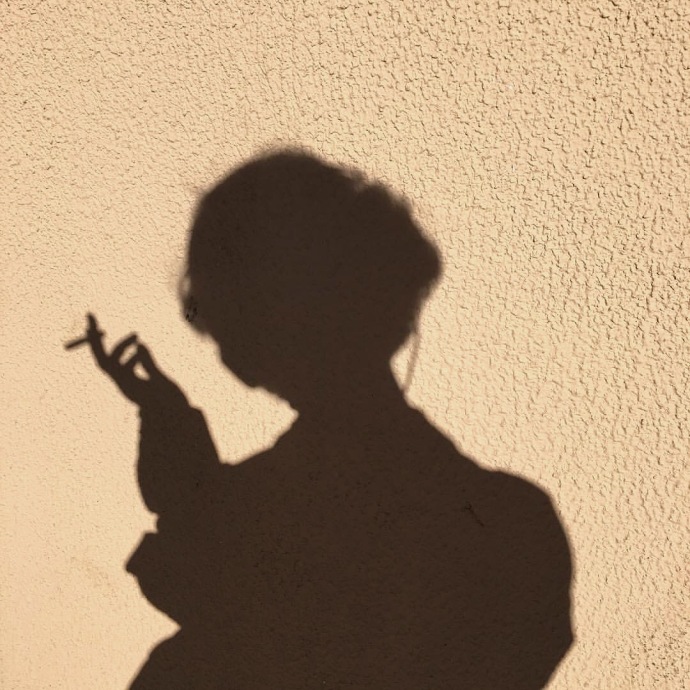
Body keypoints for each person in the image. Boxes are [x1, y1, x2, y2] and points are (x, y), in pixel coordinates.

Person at [81, 150, 572, 688]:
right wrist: (165, 416)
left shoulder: (258, 514)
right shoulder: (516, 527)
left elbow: (217, 550)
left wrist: (167, 418)